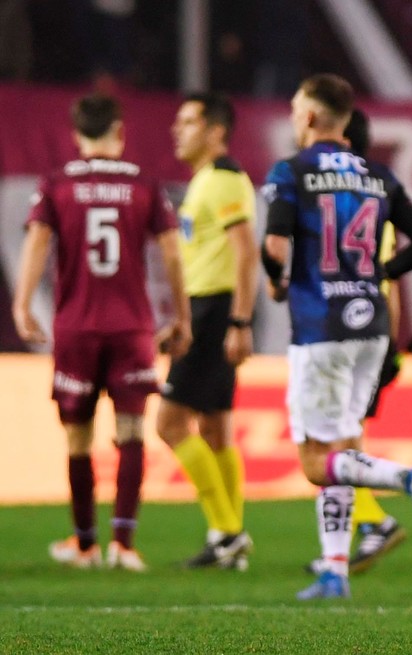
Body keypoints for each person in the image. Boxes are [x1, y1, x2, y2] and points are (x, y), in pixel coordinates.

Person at [260, 74, 412, 601]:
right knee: (340, 444)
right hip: (372, 328)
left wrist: (276, 283)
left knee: (316, 461)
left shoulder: (292, 172)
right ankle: (334, 570)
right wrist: (381, 273)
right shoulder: (378, 176)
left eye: (297, 110)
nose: (295, 119)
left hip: (321, 327)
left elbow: (275, 246)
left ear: (312, 117)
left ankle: (409, 479)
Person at [12, 94, 191, 572]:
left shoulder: (56, 185)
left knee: (78, 437)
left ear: (76, 133)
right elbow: (172, 254)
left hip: (76, 328)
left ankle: (85, 543)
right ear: (119, 130)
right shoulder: (145, 186)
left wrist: (22, 302)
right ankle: (124, 545)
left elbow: (37, 240)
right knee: (131, 431)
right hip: (133, 327)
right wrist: (183, 318)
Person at [302, 108, 412, 576]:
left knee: (329, 446)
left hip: (341, 331)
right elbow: (394, 279)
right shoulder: (376, 200)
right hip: (373, 330)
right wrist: (393, 339)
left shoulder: (337, 200)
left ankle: (373, 521)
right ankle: (343, 547)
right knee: (345, 438)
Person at [160, 92, 258, 570]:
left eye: (189, 122)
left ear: (216, 131)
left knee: (169, 424)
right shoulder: (207, 181)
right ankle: (229, 539)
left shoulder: (221, 181)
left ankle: (228, 531)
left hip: (213, 311)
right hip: (207, 309)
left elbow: (246, 252)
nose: (178, 130)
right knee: (215, 427)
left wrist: (239, 321)